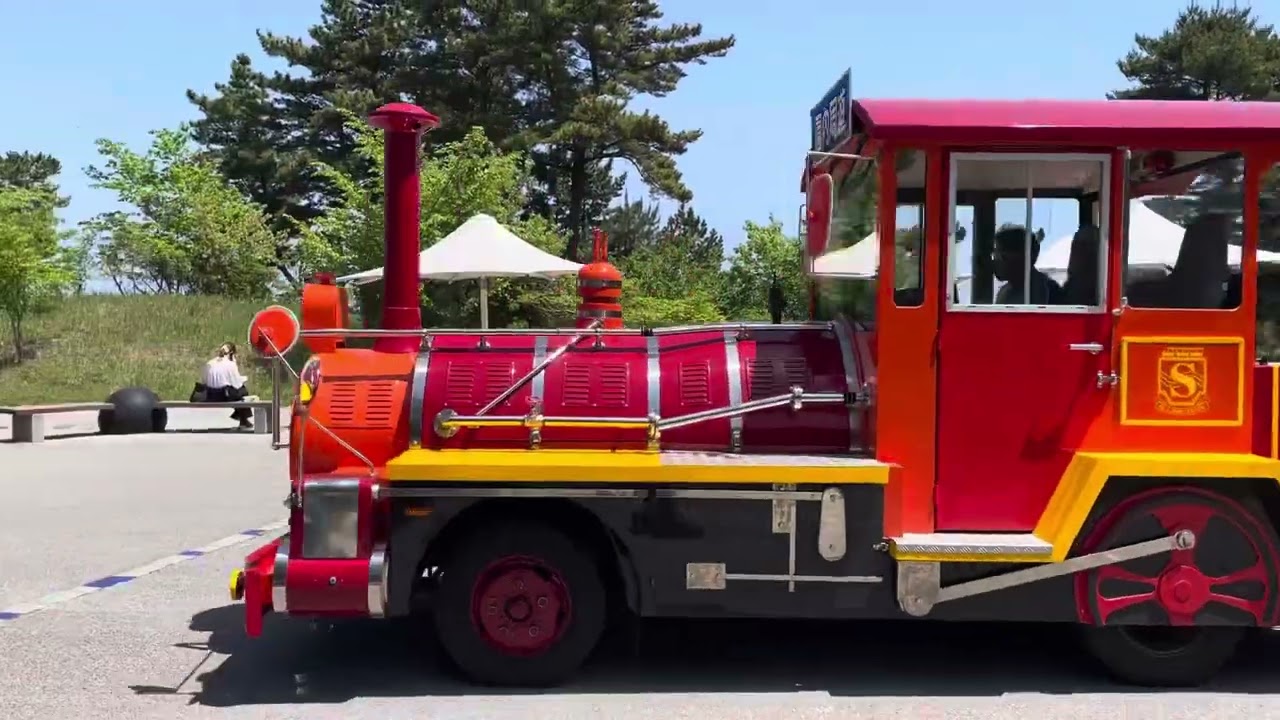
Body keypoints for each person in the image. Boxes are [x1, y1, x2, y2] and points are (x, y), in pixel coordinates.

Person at [991, 225, 1063, 305]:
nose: (995, 261)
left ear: (1022, 256)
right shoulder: (1004, 292)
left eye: (1001, 256)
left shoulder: (1046, 291)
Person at [192, 342, 253, 430]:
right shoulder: (230, 364)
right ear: (232, 353)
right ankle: (243, 420)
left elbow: (204, 381)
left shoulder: (210, 363)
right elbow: (236, 384)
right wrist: (243, 379)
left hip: (210, 396)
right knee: (242, 391)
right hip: (224, 396)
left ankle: (242, 419)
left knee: (237, 392)